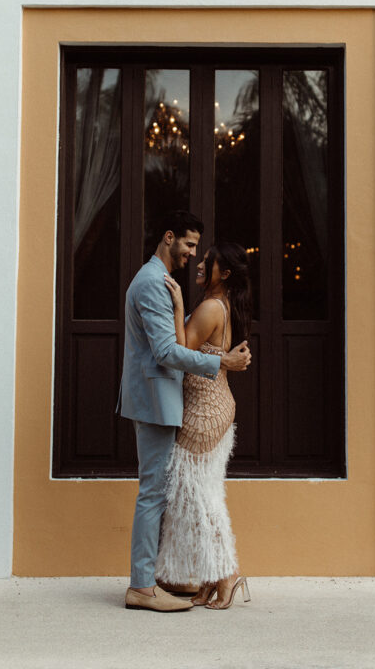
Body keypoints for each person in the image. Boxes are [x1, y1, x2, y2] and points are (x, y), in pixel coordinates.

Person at [118, 212, 252, 613]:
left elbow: (176, 347)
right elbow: (167, 351)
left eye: (201, 252)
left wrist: (216, 356)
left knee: (185, 493)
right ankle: (151, 585)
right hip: (162, 402)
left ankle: (194, 576)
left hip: (196, 408)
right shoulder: (154, 283)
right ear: (168, 237)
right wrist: (221, 361)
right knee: (167, 493)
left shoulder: (192, 296)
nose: (194, 255)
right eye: (190, 246)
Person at [156, 241, 252, 610]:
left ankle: (227, 575)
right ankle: (211, 578)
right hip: (214, 406)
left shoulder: (211, 306)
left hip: (204, 411)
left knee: (195, 495)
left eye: (207, 262)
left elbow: (180, 351)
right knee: (200, 492)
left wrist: (179, 306)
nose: (198, 264)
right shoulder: (219, 303)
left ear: (223, 273)